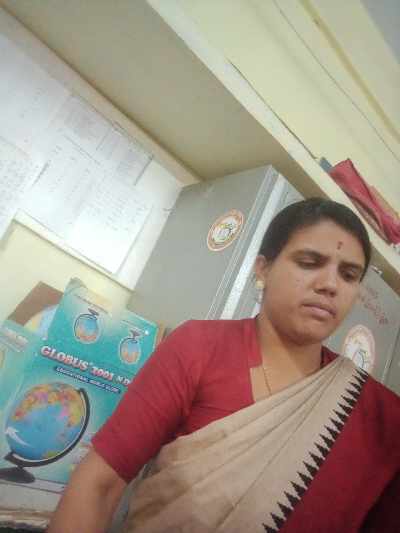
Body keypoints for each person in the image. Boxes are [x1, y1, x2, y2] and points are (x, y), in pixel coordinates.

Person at [48, 198, 400, 533]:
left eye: (349, 275)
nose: (330, 285)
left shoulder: (379, 418)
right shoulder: (199, 348)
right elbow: (100, 484)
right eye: (309, 262)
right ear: (263, 268)